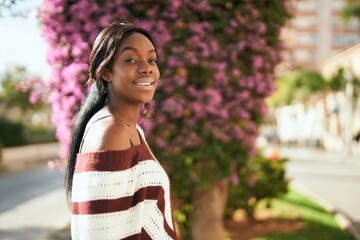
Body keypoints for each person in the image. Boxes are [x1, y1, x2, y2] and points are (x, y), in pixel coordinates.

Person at [65, 22, 178, 240]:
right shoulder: (110, 132)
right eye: (131, 60)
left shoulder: (130, 129)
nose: (146, 68)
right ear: (106, 72)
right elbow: (99, 233)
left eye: (152, 59)